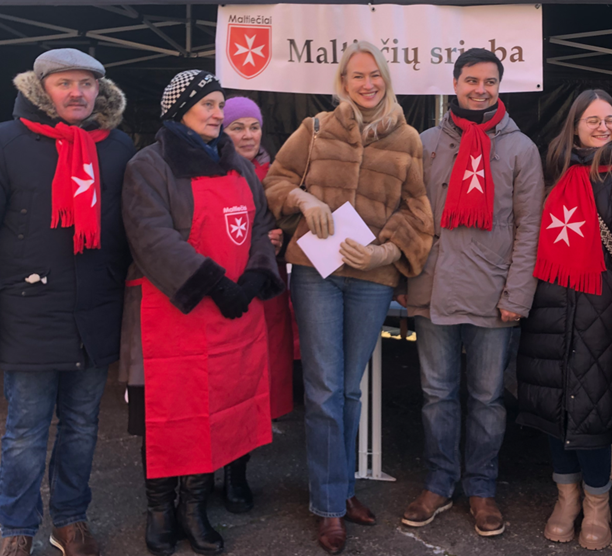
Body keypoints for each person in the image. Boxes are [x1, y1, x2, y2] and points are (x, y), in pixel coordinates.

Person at [0, 49, 135, 556]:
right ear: (39, 88)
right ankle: (17, 530)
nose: (77, 93)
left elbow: (137, 229)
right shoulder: (0, 143)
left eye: (87, 84)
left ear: (100, 91)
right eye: (65, 83)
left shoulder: (115, 148)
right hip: (25, 313)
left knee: (81, 426)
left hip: (94, 313)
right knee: (25, 432)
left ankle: (70, 520)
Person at [264, 41, 434, 554]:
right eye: (357, 76)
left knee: (349, 389)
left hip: (369, 279)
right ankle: (329, 506)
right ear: (343, 82)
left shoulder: (407, 139)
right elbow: (276, 180)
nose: (367, 84)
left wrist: (385, 254)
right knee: (322, 389)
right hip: (315, 272)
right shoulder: (315, 129)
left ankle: (340, 490)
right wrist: (303, 197)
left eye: (375, 76)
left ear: (386, 80)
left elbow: (418, 212)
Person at [120, 70, 285, 556]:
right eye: (207, 105)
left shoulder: (234, 163)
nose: (217, 114)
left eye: (220, 104)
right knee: (165, 414)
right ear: (179, 109)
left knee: (213, 412)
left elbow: (258, 225)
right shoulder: (148, 166)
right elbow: (151, 237)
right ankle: (159, 509)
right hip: (170, 312)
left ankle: (194, 507)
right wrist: (214, 283)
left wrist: (256, 276)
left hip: (231, 315)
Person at [400, 47, 545, 537]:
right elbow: (409, 219)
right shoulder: (424, 143)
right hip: (434, 288)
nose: (480, 89)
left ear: (500, 87)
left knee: (486, 399)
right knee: (436, 395)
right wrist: (403, 277)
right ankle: (440, 484)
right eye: (471, 80)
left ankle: (482, 487)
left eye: (490, 81)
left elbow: (531, 230)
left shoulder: (521, 149)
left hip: (492, 293)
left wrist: (517, 295)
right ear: (455, 83)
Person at [516, 89, 612, 550]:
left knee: (593, 413)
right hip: (549, 307)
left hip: (605, 312)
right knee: (555, 407)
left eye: (610, 119)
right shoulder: (551, 174)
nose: (603, 126)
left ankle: (597, 503)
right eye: (592, 119)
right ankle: (566, 499)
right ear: (573, 125)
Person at [219, 95, 293, 515]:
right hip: (222, 291)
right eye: (237, 127)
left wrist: (282, 236)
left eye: (253, 127)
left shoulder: (276, 172)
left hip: (264, 293)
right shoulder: (211, 170)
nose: (247, 135)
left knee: (250, 384)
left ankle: (236, 472)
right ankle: (203, 475)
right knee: (222, 381)